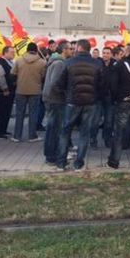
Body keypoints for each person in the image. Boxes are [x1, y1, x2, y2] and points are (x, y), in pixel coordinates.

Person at [54, 39, 104, 171]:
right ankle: (79, 163)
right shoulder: (98, 64)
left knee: (65, 131)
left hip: (72, 102)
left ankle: (61, 162)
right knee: (84, 133)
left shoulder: (69, 62)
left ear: (79, 48)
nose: (73, 49)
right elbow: (102, 85)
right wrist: (96, 96)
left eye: (75, 47)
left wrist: (67, 94)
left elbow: (59, 84)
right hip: (90, 103)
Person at [41, 41, 72, 165]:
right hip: (56, 100)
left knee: (52, 128)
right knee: (54, 129)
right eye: (70, 48)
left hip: (52, 98)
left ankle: (51, 155)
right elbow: (56, 83)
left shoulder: (55, 61)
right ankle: (52, 156)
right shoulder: (59, 63)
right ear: (64, 50)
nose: (72, 50)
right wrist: (65, 94)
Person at [10, 42, 46, 143]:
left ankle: (17, 136)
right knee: (33, 114)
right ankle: (32, 136)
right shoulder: (42, 62)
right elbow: (44, 76)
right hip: (35, 90)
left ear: (26, 49)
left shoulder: (19, 60)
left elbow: (12, 74)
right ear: (36, 50)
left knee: (19, 113)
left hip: (20, 90)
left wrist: (16, 83)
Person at [94, 47, 116, 148]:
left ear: (111, 55)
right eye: (104, 53)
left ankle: (107, 139)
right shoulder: (97, 63)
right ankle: (93, 139)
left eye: (107, 53)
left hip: (110, 97)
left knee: (109, 121)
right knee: (96, 120)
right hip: (98, 96)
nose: (105, 55)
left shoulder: (115, 65)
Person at [0, 46, 16, 139]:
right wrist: (5, 89)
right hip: (2, 92)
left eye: (14, 52)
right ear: (5, 53)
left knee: (6, 111)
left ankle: (3, 130)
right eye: (11, 52)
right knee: (1, 111)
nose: (13, 54)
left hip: (10, 91)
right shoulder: (0, 63)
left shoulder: (10, 62)